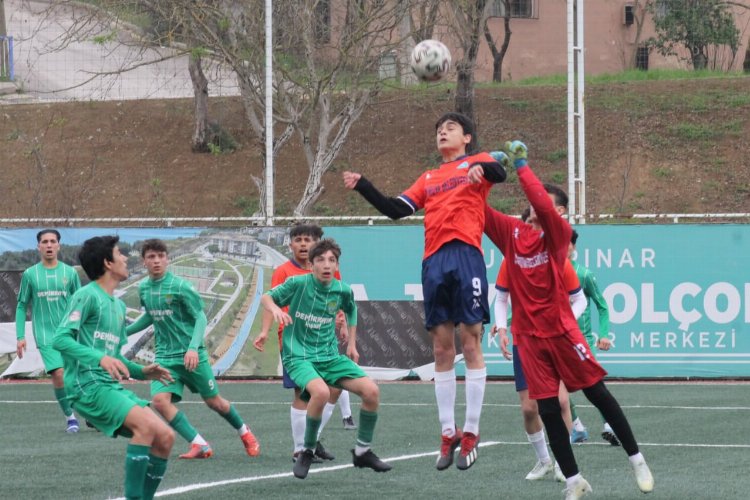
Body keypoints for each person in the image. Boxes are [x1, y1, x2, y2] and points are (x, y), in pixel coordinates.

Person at [484, 142, 654, 499]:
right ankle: (574, 480)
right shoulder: (513, 236)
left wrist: (521, 167)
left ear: (558, 212)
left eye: (543, 200)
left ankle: (637, 459)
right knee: (547, 408)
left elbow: (543, 205)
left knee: (596, 393)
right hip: (529, 340)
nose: (535, 203)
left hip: (562, 332)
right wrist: (484, 176)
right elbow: (480, 213)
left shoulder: (558, 237)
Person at [343, 112, 506, 471]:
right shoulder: (429, 177)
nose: (442, 133)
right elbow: (395, 210)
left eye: (450, 128)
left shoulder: (476, 162)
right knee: (441, 349)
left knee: (471, 343)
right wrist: (364, 185)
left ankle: (471, 432)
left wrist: (483, 169)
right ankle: (448, 433)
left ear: (466, 137)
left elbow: (500, 172)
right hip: (434, 263)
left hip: (466, 256)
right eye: (438, 130)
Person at [53, 235, 175, 500]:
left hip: (108, 385)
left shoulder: (118, 306)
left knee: (165, 437)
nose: (126, 258)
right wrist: (99, 359)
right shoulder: (86, 296)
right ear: (108, 262)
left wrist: (142, 371)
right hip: (86, 384)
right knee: (146, 428)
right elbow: (60, 339)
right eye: (120, 253)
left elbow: (115, 357)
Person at [261, 238, 392, 479]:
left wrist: (351, 344)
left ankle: (362, 452)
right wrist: (277, 309)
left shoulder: (342, 290)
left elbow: (351, 310)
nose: (327, 265)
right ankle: (307, 450)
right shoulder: (298, 284)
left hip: (330, 356)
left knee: (371, 391)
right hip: (299, 356)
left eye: (332, 260)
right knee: (320, 392)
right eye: (320, 260)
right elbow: (266, 298)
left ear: (337, 265)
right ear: (311, 265)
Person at [126, 239, 260, 459]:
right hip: (165, 357)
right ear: (144, 261)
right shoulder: (143, 288)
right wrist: (124, 333)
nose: (156, 260)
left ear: (167, 259)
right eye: (151, 257)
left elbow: (200, 317)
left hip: (191, 355)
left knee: (214, 402)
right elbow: (150, 316)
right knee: (159, 402)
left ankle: (244, 432)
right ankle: (199, 444)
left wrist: (192, 348)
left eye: (161, 256)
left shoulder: (181, 286)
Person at [253, 223, 355, 464]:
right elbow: (271, 301)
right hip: (295, 343)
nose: (302, 244)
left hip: (322, 341)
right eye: (298, 240)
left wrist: (341, 322)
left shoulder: (329, 270)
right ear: (290, 244)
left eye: (307, 240)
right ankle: (300, 449)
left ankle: (312, 440)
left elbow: (338, 299)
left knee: (335, 388)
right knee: (305, 393)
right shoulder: (284, 272)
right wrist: (265, 331)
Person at [492, 244, 586, 482]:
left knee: (561, 402)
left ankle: (563, 463)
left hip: (554, 341)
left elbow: (580, 300)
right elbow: (501, 298)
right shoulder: (511, 259)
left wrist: (564, 322)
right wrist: (502, 328)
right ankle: (544, 460)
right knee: (529, 408)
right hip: (523, 341)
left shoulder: (554, 257)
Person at [15, 229, 82, 433]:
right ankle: (70, 417)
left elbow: (80, 302)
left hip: (69, 334)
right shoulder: (30, 274)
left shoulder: (70, 273)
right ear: (39, 246)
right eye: (45, 242)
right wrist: (20, 336)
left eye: (53, 241)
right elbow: (21, 305)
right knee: (59, 374)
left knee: (76, 377)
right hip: (46, 336)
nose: (49, 245)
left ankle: (89, 412)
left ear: (59, 246)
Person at [568, 229, 620, 446]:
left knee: (594, 384)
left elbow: (602, 306)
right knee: (554, 388)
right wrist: (505, 322)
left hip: (583, 342)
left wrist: (604, 334)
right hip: (558, 341)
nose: (562, 247)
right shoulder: (547, 272)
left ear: (573, 247)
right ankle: (577, 427)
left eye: (567, 243)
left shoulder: (583, 274)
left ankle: (610, 425)